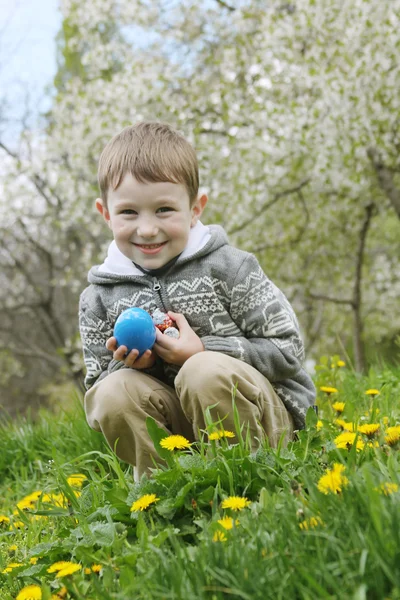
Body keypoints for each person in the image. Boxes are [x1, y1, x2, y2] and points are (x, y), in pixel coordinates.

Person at [79, 121, 316, 478]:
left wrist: (202, 350)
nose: (146, 229)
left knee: (202, 371)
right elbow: (97, 389)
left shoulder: (230, 268)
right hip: (183, 430)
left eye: (164, 210)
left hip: (264, 423)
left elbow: (288, 349)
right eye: (129, 212)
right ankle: (168, 490)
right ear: (106, 214)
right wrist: (134, 366)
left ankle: (250, 477)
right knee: (113, 392)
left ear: (195, 208)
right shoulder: (98, 298)